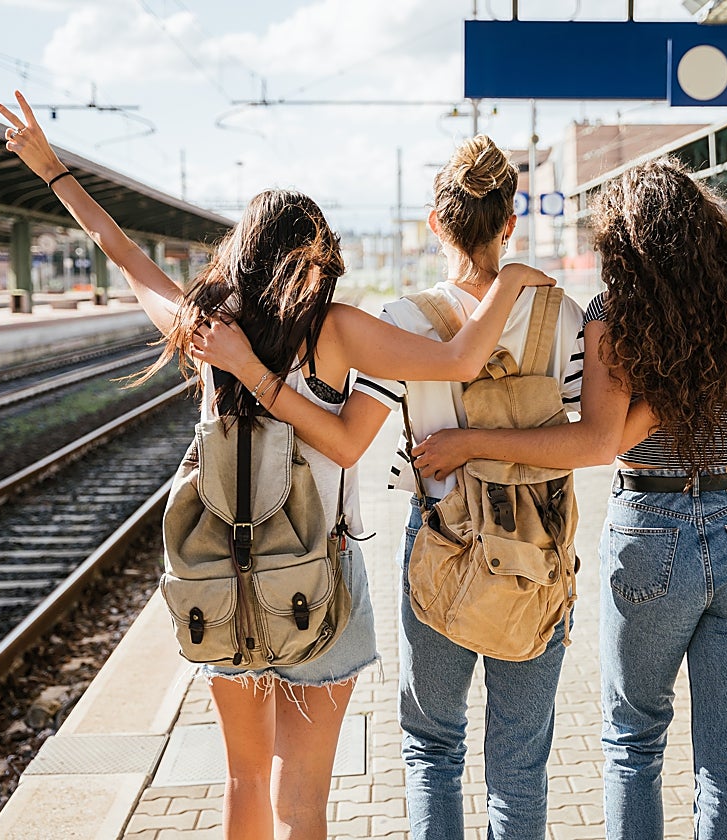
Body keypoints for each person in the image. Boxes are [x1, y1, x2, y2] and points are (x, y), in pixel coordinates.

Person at [0, 92, 553, 840]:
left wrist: (53, 171)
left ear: (241, 250)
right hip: (322, 577)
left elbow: (123, 254)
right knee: (304, 800)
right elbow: (459, 357)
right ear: (314, 256)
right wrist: (512, 280)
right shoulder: (339, 331)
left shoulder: (204, 329)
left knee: (244, 780)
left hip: (221, 575)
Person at [412, 156, 727, 840]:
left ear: (624, 243)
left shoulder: (615, 316)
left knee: (633, 743)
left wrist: (472, 441)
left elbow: (598, 444)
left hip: (650, 534)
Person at [200, 134, 586, 840]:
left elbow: (358, 430)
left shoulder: (404, 317)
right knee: (521, 764)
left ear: (436, 224)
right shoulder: (563, 315)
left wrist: (463, 444)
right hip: (538, 549)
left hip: (442, 543)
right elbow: (587, 437)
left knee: (433, 749)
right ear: (510, 222)